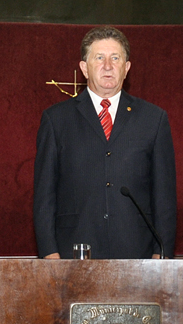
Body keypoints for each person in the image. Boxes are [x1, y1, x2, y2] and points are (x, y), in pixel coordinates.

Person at [33, 26, 175, 259]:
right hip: (73, 252)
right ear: (84, 68)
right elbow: (44, 196)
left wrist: (162, 252)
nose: (108, 66)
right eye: (99, 58)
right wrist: (49, 253)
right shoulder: (56, 120)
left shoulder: (154, 119)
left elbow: (164, 196)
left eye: (115, 58)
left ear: (126, 68)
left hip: (136, 252)